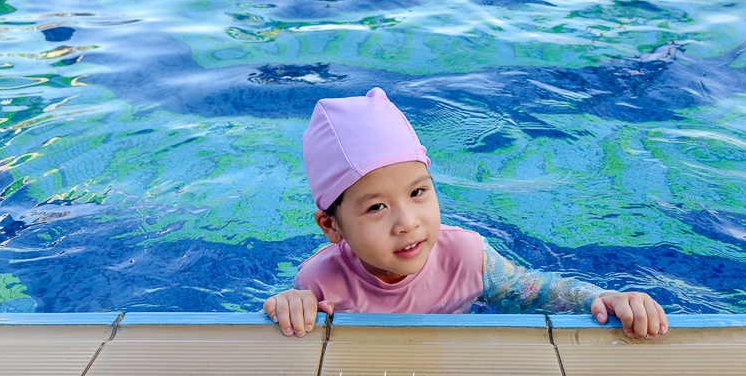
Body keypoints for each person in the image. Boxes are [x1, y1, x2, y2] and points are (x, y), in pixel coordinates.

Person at [263, 88, 669, 339]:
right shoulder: (319, 282)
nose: (407, 222)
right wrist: (290, 305)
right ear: (331, 226)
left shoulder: (468, 256)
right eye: (376, 207)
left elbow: (537, 294)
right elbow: (292, 323)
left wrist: (607, 298)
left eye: (418, 192)